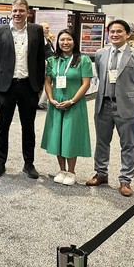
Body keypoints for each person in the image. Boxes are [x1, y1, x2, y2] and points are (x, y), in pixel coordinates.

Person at [86, 19, 134, 197]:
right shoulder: (100, 53)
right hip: (103, 104)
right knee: (102, 142)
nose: (115, 34)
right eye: (112, 31)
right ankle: (101, 173)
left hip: (127, 107)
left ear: (128, 34)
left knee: (128, 144)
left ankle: (125, 180)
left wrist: (129, 97)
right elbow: (100, 76)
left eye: (119, 31)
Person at [0, 0, 45, 179]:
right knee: (2, 127)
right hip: (6, 87)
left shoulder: (36, 30)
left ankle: (29, 164)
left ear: (28, 12)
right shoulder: (0, 32)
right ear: (10, 12)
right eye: (15, 11)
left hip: (28, 86)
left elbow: (40, 59)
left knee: (29, 128)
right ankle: (0, 163)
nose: (17, 14)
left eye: (21, 10)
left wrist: (39, 85)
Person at [40, 29, 93, 185]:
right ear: (58, 42)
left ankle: (71, 171)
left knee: (70, 136)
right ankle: (62, 170)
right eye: (62, 39)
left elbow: (86, 84)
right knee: (57, 136)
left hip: (74, 103)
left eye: (69, 39)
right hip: (56, 103)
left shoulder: (83, 60)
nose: (65, 42)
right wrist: (51, 99)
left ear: (74, 41)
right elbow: (48, 82)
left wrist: (72, 101)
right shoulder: (52, 60)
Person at [37, 22, 55, 109]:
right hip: (45, 64)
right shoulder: (39, 38)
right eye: (46, 28)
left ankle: (41, 102)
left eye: (48, 28)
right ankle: (42, 102)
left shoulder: (46, 39)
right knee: (48, 82)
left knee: (46, 83)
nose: (48, 29)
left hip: (50, 63)